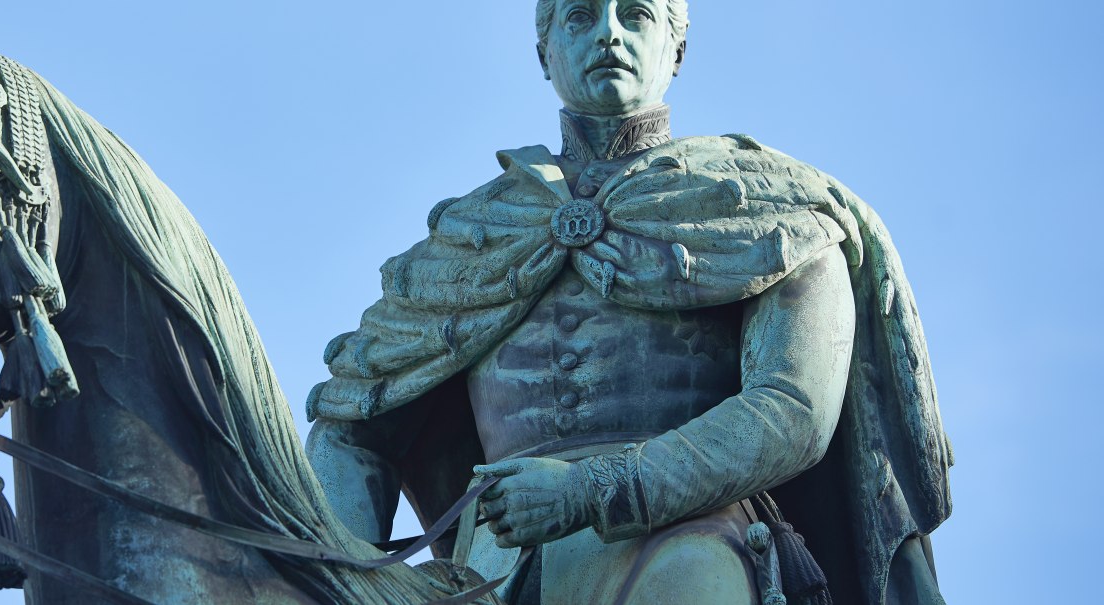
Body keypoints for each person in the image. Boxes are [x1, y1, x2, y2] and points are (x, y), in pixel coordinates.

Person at [305, 1, 951, 603]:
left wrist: (593, 490)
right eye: (581, 15)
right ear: (544, 51)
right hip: (493, 574)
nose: (608, 31)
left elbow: (793, 410)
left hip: (693, 546)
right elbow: (350, 427)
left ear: (677, 45)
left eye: (635, 12)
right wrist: (348, 582)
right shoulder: (475, 234)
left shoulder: (767, 207)